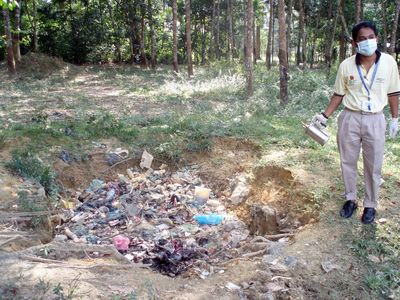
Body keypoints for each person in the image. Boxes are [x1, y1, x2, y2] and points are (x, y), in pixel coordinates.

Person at [312, 21, 400, 224]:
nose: (368, 41)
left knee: (373, 164)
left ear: (377, 38)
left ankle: (371, 204)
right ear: (354, 43)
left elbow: (394, 92)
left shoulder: (389, 63)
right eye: (362, 38)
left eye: (371, 37)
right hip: (350, 118)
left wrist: (395, 118)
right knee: (347, 162)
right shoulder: (346, 65)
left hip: (375, 120)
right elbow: (338, 94)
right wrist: (324, 116)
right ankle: (350, 199)